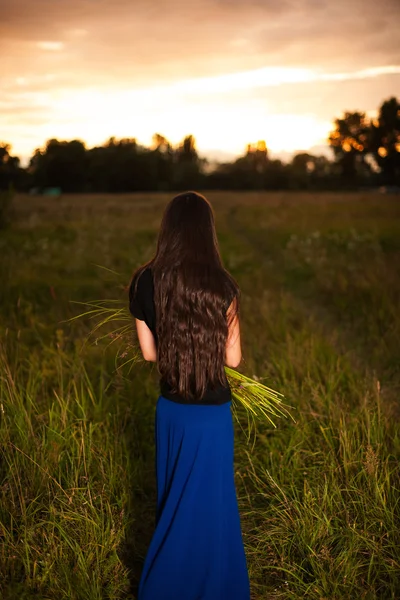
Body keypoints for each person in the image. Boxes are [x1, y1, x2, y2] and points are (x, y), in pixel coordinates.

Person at [128, 191, 250, 600]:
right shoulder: (222, 284)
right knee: (213, 502)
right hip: (213, 415)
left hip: (173, 411)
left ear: (168, 230)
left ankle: (167, 583)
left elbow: (149, 354)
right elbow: (233, 359)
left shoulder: (144, 280)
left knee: (175, 496)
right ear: (206, 232)